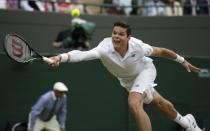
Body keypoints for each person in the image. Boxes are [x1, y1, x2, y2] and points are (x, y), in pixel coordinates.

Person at [49, 21, 202, 131]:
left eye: (121, 34)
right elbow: (81, 55)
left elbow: (161, 51)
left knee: (134, 103)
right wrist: (60, 58)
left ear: (129, 37)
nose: (116, 36)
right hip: (128, 81)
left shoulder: (139, 47)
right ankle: (188, 123)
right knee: (159, 103)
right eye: (114, 33)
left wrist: (182, 61)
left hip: (145, 71)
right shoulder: (104, 48)